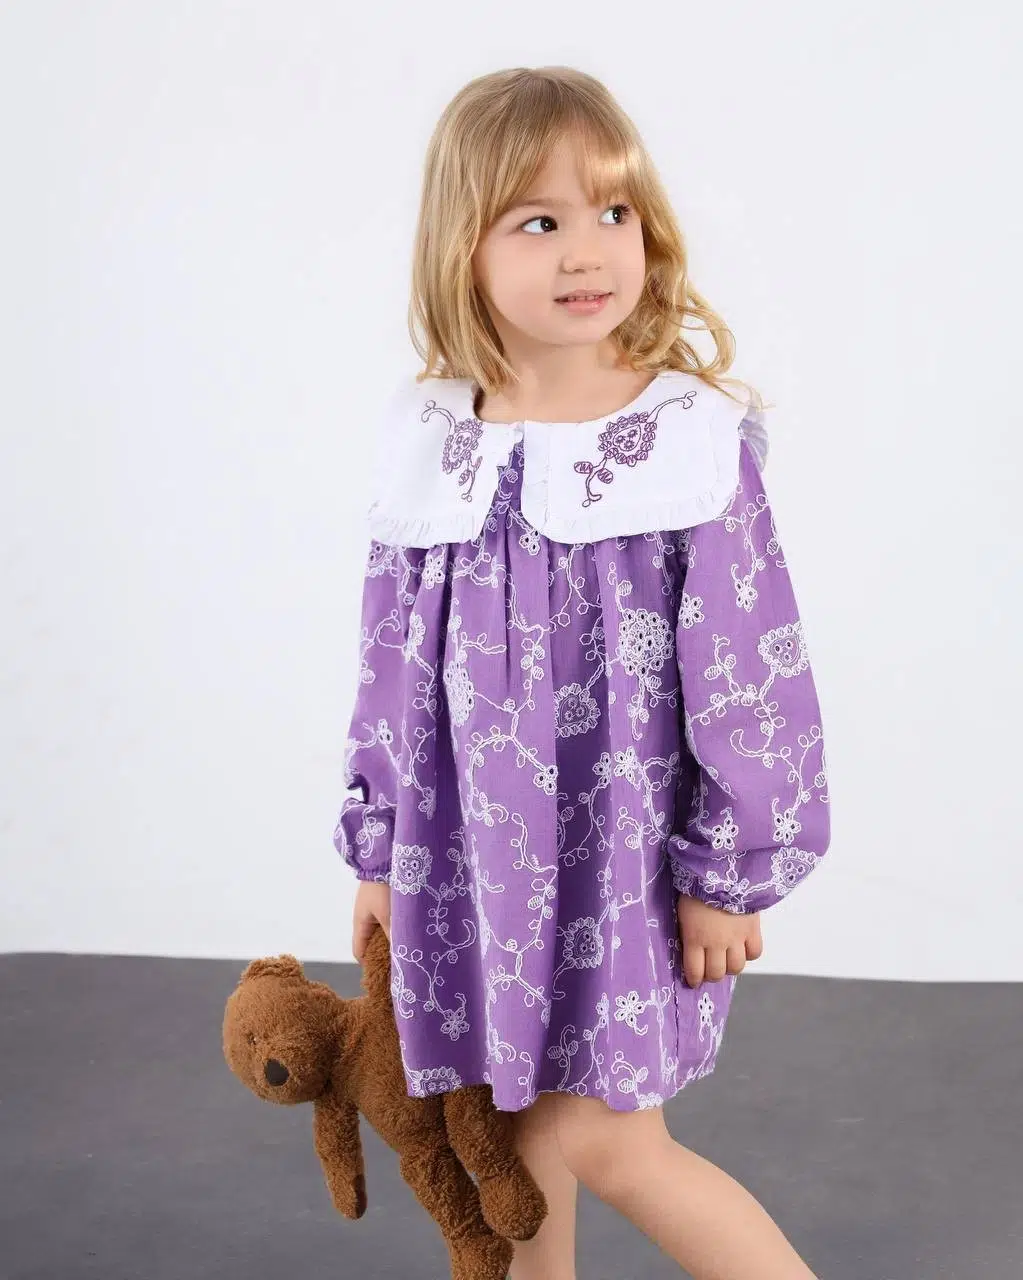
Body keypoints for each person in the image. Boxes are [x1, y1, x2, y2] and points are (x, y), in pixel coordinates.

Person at [333, 65, 831, 1280]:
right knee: (509, 1126)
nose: (587, 249)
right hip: (472, 859)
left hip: (624, 863)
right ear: (463, 245)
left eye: (613, 212)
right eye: (538, 220)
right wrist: (379, 848)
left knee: (605, 1135)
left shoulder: (684, 442)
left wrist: (729, 868)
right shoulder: (435, 436)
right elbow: (391, 663)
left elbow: (749, 662)